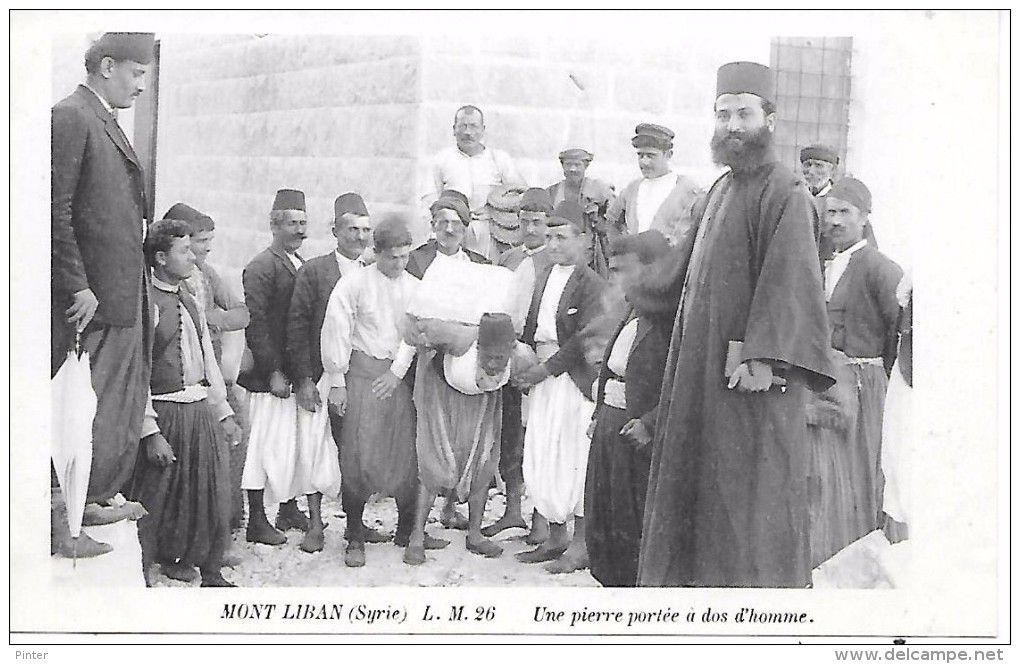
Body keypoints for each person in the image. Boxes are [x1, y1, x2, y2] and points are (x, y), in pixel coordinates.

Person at [635, 61, 836, 588]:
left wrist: (762, 357)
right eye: (724, 114)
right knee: (698, 495)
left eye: (744, 113)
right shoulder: (720, 190)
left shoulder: (787, 191)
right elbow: (680, 275)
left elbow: (790, 283)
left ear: (769, 119)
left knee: (747, 505)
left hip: (750, 387)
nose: (733, 125)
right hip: (700, 378)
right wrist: (634, 289)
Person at [51, 32, 155, 557]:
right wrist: (77, 284)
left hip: (118, 294)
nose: (141, 85)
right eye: (137, 73)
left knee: (109, 409)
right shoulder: (72, 117)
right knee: (76, 408)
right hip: (91, 300)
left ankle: (88, 499)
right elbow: (54, 208)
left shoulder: (102, 119)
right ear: (107, 66)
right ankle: (59, 522)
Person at [320, 216, 440, 567]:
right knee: (358, 454)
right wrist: (337, 381)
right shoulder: (353, 284)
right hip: (361, 376)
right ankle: (355, 534)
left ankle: (406, 529)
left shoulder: (415, 286)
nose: (399, 264)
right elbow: (337, 330)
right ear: (377, 253)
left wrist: (397, 371)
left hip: (397, 379)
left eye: (404, 257)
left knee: (405, 453)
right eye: (392, 257)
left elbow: (415, 332)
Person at [127, 218, 241, 587]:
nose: (193, 257)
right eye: (184, 251)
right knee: (158, 496)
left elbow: (207, 357)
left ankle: (209, 568)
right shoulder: (147, 304)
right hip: (165, 411)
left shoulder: (189, 299)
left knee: (210, 492)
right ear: (160, 257)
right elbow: (138, 370)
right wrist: (150, 431)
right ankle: (143, 568)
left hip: (198, 409)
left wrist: (222, 411)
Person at [403, 193, 508, 565]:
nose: (450, 229)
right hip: (434, 370)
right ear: (432, 225)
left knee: (479, 447)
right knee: (432, 447)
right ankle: (417, 533)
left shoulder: (480, 265)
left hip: (476, 373)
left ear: (466, 227)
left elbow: (496, 314)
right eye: (442, 221)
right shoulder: (416, 261)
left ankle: (475, 531)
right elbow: (410, 317)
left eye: (457, 222)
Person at [239, 189, 341, 552]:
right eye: (291, 223)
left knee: (292, 446)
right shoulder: (261, 266)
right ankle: (256, 520)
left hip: (294, 373)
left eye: (303, 223)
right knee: (262, 448)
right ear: (273, 225)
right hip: (270, 379)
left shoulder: (299, 262)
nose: (299, 230)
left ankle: (288, 509)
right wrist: (272, 373)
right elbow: (257, 325)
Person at [807, 178, 903, 565]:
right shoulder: (821, 265)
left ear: (864, 219)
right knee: (828, 479)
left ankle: (859, 558)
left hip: (864, 388)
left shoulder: (880, 269)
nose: (835, 221)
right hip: (827, 387)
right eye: (830, 212)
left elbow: (899, 333)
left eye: (844, 212)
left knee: (858, 473)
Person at [286, 193, 388, 546]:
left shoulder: (376, 271)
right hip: (321, 373)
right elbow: (297, 327)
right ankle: (315, 525)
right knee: (316, 447)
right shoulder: (314, 271)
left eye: (365, 230)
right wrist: (303, 379)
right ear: (334, 231)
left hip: (357, 376)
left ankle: (355, 526)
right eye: (351, 230)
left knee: (354, 449)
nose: (360, 237)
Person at [515, 203, 605, 574]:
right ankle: (555, 536)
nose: (552, 243)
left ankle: (581, 544)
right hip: (543, 378)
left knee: (574, 457)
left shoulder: (592, 285)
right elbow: (533, 325)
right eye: (548, 236)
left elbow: (583, 340)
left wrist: (545, 370)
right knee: (544, 452)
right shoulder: (544, 275)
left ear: (582, 240)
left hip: (572, 380)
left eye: (561, 237)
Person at [584, 231, 672, 587]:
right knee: (602, 513)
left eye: (624, 270)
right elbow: (611, 366)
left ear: (654, 269)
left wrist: (650, 423)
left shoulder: (671, 318)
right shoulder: (632, 308)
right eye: (613, 269)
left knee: (632, 519)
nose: (615, 278)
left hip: (640, 432)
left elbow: (683, 379)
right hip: (610, 422)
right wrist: (597, 415)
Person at [165, 203, 250, 531]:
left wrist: (210, 319)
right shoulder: (169, 277)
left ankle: (226, 524)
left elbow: (242, 313)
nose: (206, 248)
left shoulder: (206, 274)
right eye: (199, 241)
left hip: (215, 375)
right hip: (184, 382)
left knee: (234, 442)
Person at [482, 188, 556, 544]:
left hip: (537, 361)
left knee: (536, 437)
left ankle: (542, 519)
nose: (530, 228)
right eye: (524, 220)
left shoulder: (553, 263)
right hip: (507, 358)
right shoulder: (508, 259)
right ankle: (512, 510)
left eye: (537, 221)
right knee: (510, 434)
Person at [428, 105, 527, 258]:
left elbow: (520, 194)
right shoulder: (441, 160)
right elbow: (430, 199)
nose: (468, 132)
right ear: (454, 129)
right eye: (463, 126)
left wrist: (495, 210)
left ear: (483, 129)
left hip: (489, 230)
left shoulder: (499, 159)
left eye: (473, 126)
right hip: (452, 230)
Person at [605, 123, 701, 245]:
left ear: (668, 155)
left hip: (672, 262)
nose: (645, 162)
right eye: (640, 156)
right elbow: (611, 223)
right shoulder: (631, 189)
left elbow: (698, 232)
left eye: (651, 156)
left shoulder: (688, 189)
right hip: (634, 262)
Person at [547, 148, 617, 276]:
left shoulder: (599, 189)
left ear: (586, 166)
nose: (573, 169)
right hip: (560, 249)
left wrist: (598, 219)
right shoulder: (552, 192)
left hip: (591, 251)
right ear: (562, 166)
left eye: (577, 165)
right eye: (568, 165)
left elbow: (615, 216)